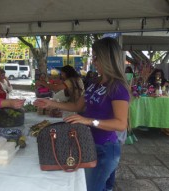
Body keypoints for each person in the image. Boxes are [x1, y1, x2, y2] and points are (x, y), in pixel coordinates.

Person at [34, 37, 130, 191]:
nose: (94, 61)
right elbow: (76, 106)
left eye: (96, 57)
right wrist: (50, 103)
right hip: (89, 144)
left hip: (105, 148)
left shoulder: (117, 87)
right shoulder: (95, 83)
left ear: (107, 58)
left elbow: (120, 124)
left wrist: (89, 121)